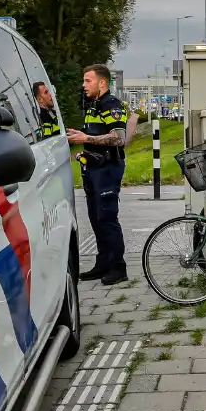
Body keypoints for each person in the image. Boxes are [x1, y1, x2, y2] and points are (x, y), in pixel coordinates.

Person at [66, 64, 130, 285]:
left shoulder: (111, 104)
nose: (84, 85)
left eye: (88, 81)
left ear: (102, 83)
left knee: (107, 218)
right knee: (95, 218)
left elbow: (118, 138)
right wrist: (82, 142)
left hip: (107, 169)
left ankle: (118, 267)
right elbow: (94, 135)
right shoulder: (93, 106)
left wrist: (86, 139)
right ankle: (103, 263)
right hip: (93, 168)